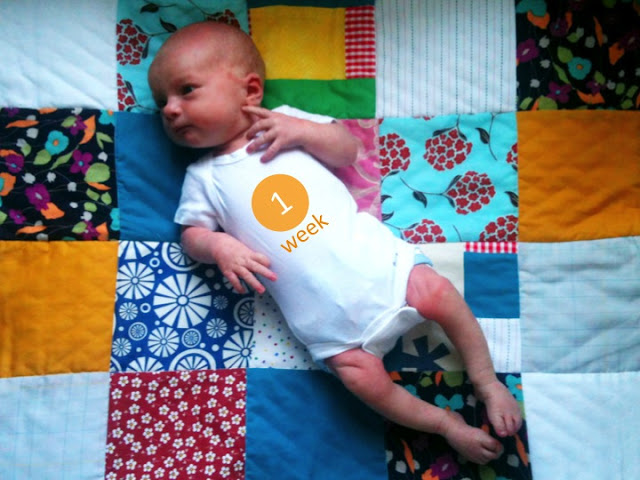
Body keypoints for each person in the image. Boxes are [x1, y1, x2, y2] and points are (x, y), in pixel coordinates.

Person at [148, 21, 522, 465]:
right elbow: (191, 235)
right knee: (361, 380)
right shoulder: (203, 177)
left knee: (440, 293)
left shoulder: (286, 120)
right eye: (162, 102)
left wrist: (302, 131)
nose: (170, 110)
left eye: (186, 90)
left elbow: (346, 150)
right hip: (326, 322)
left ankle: (486, 382)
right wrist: (219, 247)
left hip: (381, 268)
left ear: (250, 91)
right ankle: (445, 425)